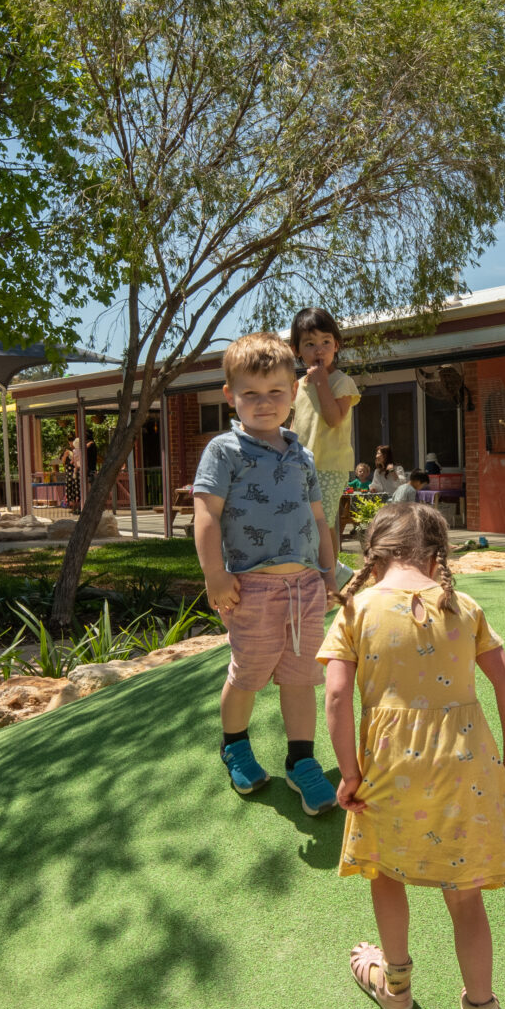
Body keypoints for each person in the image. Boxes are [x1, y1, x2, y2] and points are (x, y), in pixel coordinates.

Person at [322, 503, 505, 1009]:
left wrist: (349, 773)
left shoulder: (357, 609)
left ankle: (395, 987)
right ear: (436, 555)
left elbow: (338, 696)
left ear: (374, 555)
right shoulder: (461, 606)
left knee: (384, 873)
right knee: (465, 900)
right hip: (465, 769)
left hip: (389, 769)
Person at [192, 332, 342, 814]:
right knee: (248, 674)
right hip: (251, 587)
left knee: (301, 677)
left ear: (294, 391)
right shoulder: (224, 450)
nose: (264, 403)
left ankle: (302, 760)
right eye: (250, 393)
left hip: (306, 587)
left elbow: (318, 519)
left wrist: (328, 573)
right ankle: (234, 744)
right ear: (229, 395)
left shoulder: (302, 455)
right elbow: (206, 515)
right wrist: (215, 575)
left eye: (276, 391)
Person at [288, 307, 360, 551]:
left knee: (324, 521)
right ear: (296, 350)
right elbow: (296, 424)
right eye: (310, 344)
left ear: (336, 345)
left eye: (325, 342)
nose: (319, 349)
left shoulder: (342, 382)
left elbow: (334, 419)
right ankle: (310, 565)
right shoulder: (298, 386)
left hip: (329, 466)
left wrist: (321, 381)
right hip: (301, 465)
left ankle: (330, 569)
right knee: (304, 520)